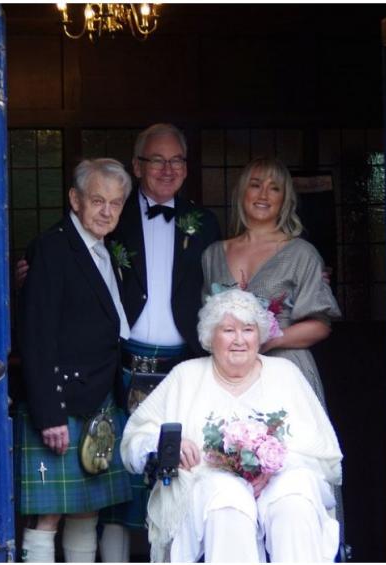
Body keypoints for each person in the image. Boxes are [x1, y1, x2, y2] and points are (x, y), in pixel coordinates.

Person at [121, 289, 343, 562]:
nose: (239, 340)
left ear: (259, 335)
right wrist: (169, 444)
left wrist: (274, 466)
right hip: (209, 485)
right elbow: (136, 439)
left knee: (294, 497)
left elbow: (322, 451)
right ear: (210, 337)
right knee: (228, 501)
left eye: (248, 330)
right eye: (228, 330)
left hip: (279, 480)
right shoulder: (186, 376)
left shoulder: (286, 374)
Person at [98, 123, 222, 556]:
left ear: (186, 168)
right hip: (121, 364)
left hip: (184, 367)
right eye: (157, 160)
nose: (168, 169)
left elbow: (229, 279)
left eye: (176, 161)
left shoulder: (205, 223)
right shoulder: (113, 215)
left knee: (177, 473)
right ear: (137, 166)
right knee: (118, 483)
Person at [16, 158, 134, 563]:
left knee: (87, 507)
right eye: (98, 201)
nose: (106, 211)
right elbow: (36, 335)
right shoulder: (53, 248)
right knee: (48, 513)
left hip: (98, 394)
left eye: (115, 203)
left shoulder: (103, 249)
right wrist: (49, 414)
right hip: (63, 399)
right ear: (75, 199)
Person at [201, 157, 340, 407]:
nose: (263, 195)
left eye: (274, 188)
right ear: (242, 192)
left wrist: (269, 339)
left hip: (285, 372)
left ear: (284, 199)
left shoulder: (301, 253)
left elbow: (321, 325)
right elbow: (206, 323)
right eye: (255, 185)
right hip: (228, 376)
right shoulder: (213, 254)